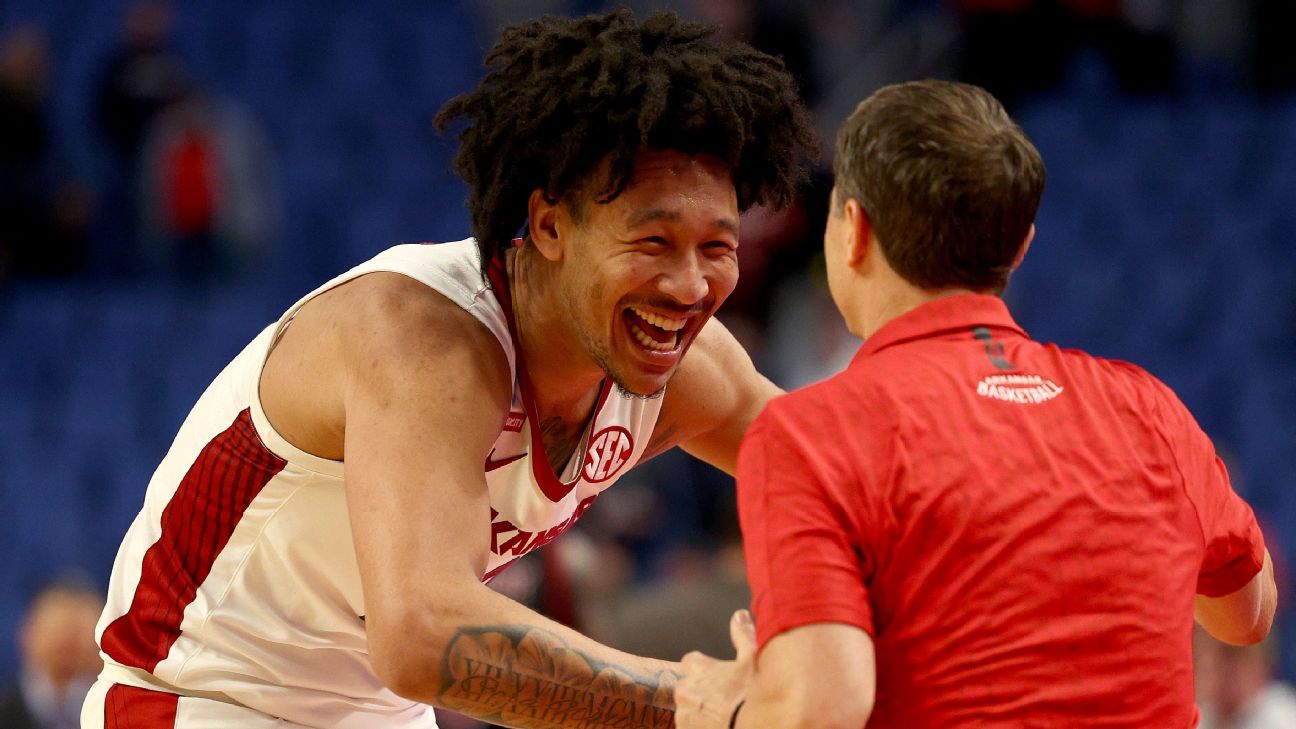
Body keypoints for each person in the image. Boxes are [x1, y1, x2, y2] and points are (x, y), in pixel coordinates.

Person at [82, 9, 816, 729]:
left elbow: (842, 481)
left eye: (716, 248)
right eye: (653, 242)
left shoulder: (681, 361)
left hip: (378, 709)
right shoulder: (420, 339)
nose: (689, 286)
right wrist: (698, 703)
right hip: (203, 693)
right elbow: (423, 636)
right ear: (550, 225)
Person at [673, 80, 1277, 728]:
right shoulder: (1148, 408)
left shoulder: (808, 433)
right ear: (1019, 247)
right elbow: (1247, 615)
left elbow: (818, 712)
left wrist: (726, 710)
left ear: (854, 230)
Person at [0, 580, 104, 729]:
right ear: (26, 636)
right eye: (57, 633)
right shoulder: (5, 710)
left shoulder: (121, 712)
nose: (67, 639)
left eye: (78, 634)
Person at [1196, 628, 1296, 729]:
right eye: (1221, 660)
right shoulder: (1202, 714)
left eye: (1238, 658)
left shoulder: (1281, 716)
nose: (1228, 671)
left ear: (1262, 666)